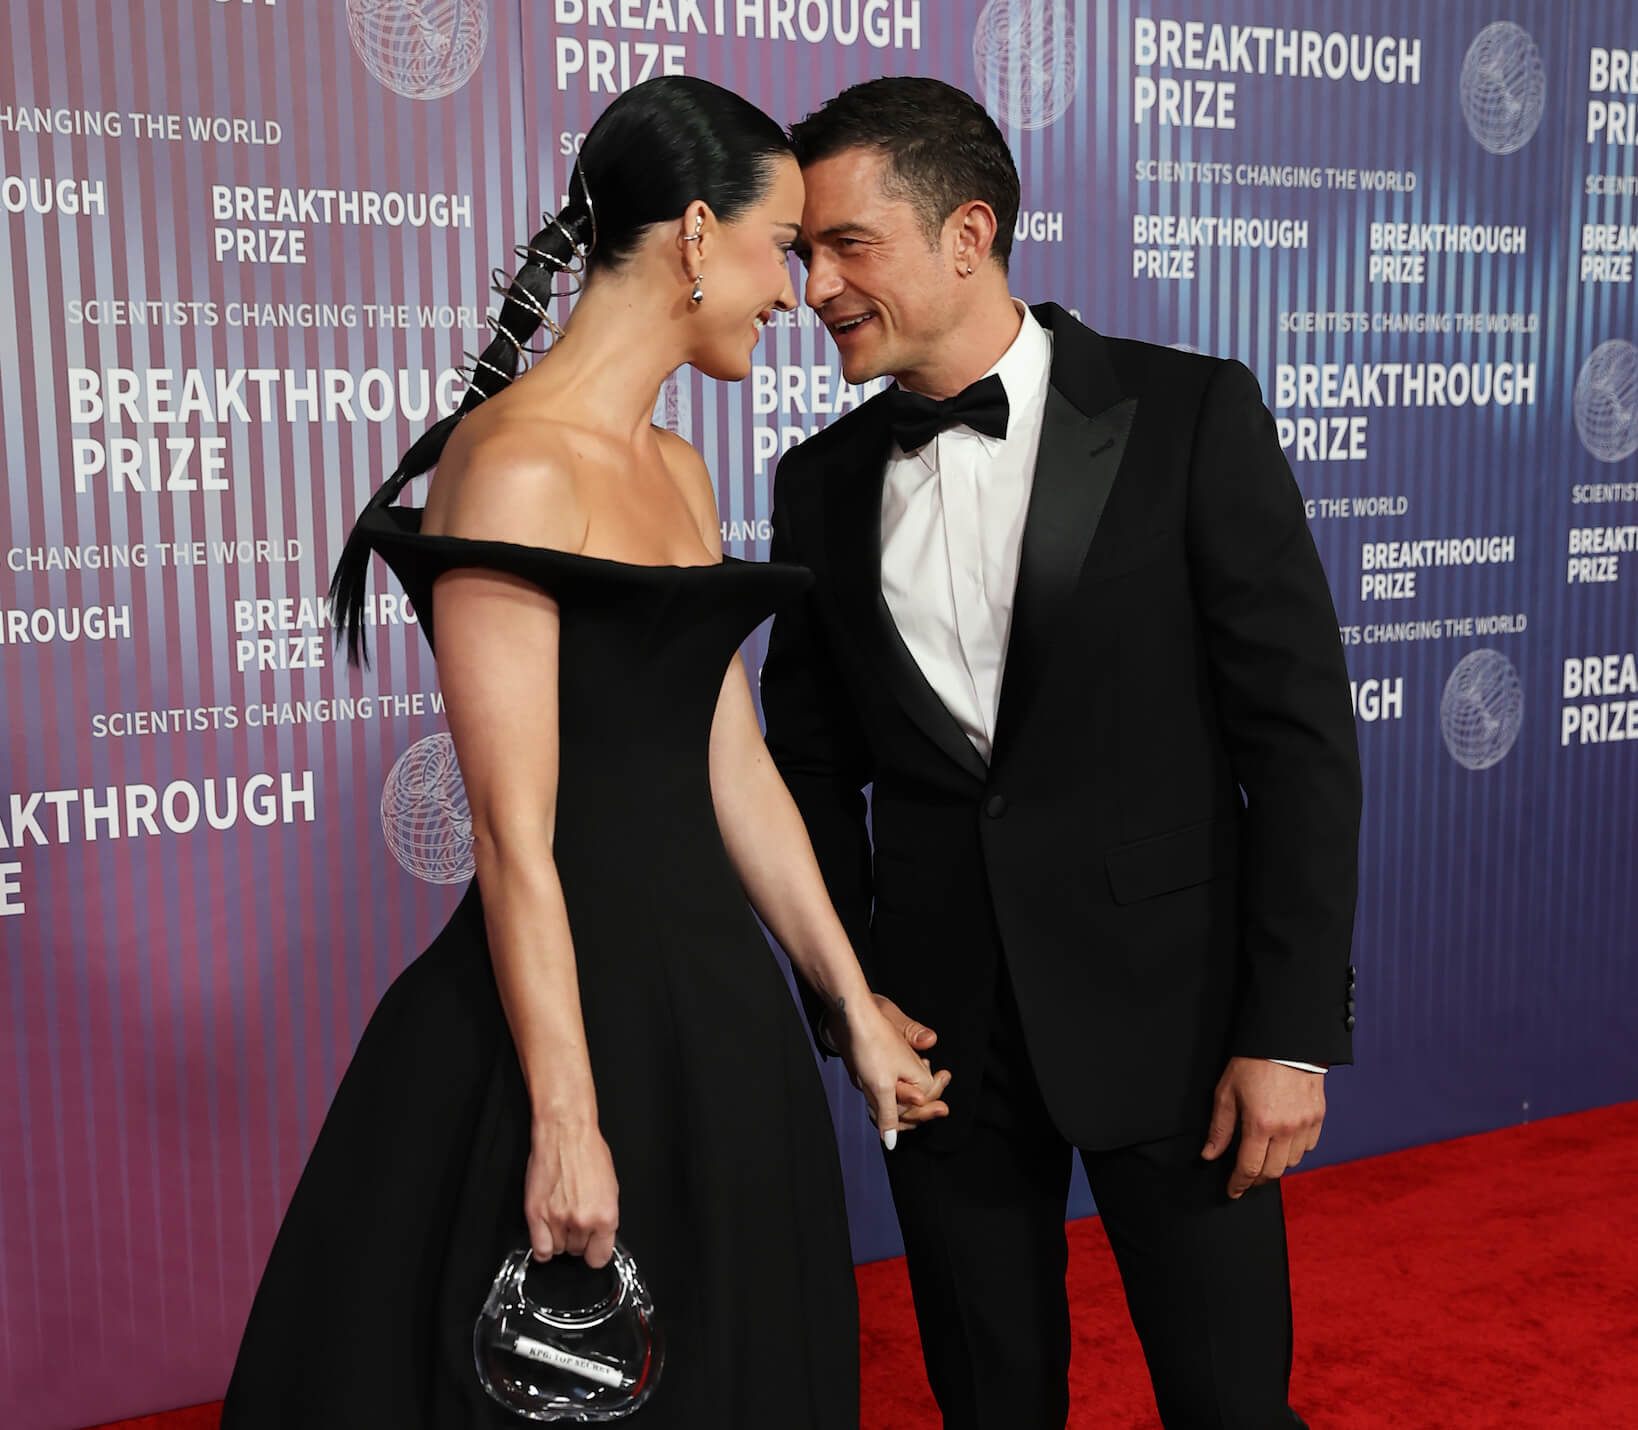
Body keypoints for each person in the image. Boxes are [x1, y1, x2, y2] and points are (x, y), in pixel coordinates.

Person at [221, 75, 947, 1429]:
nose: (792, 291)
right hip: (557, 1021)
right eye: (777, 247)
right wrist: (566, 1112)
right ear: (689, 236)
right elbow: (513, 833)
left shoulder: (679, 471)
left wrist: (846, 1000)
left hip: (714, 1019)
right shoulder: (509, 469)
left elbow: (733, 761)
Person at [761, 77, 1363, 1430]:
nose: (813, 286)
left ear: (966, 233)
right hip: (939, 1042)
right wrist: (850, 997)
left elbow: (1302, 740)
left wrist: (1285, 1030)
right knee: (989, 1398)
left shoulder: (1187, 413)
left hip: (1177, 1018)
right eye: (801, 252)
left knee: (1227, 1403)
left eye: (846, 243)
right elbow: (798, 765)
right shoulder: (818, 481)